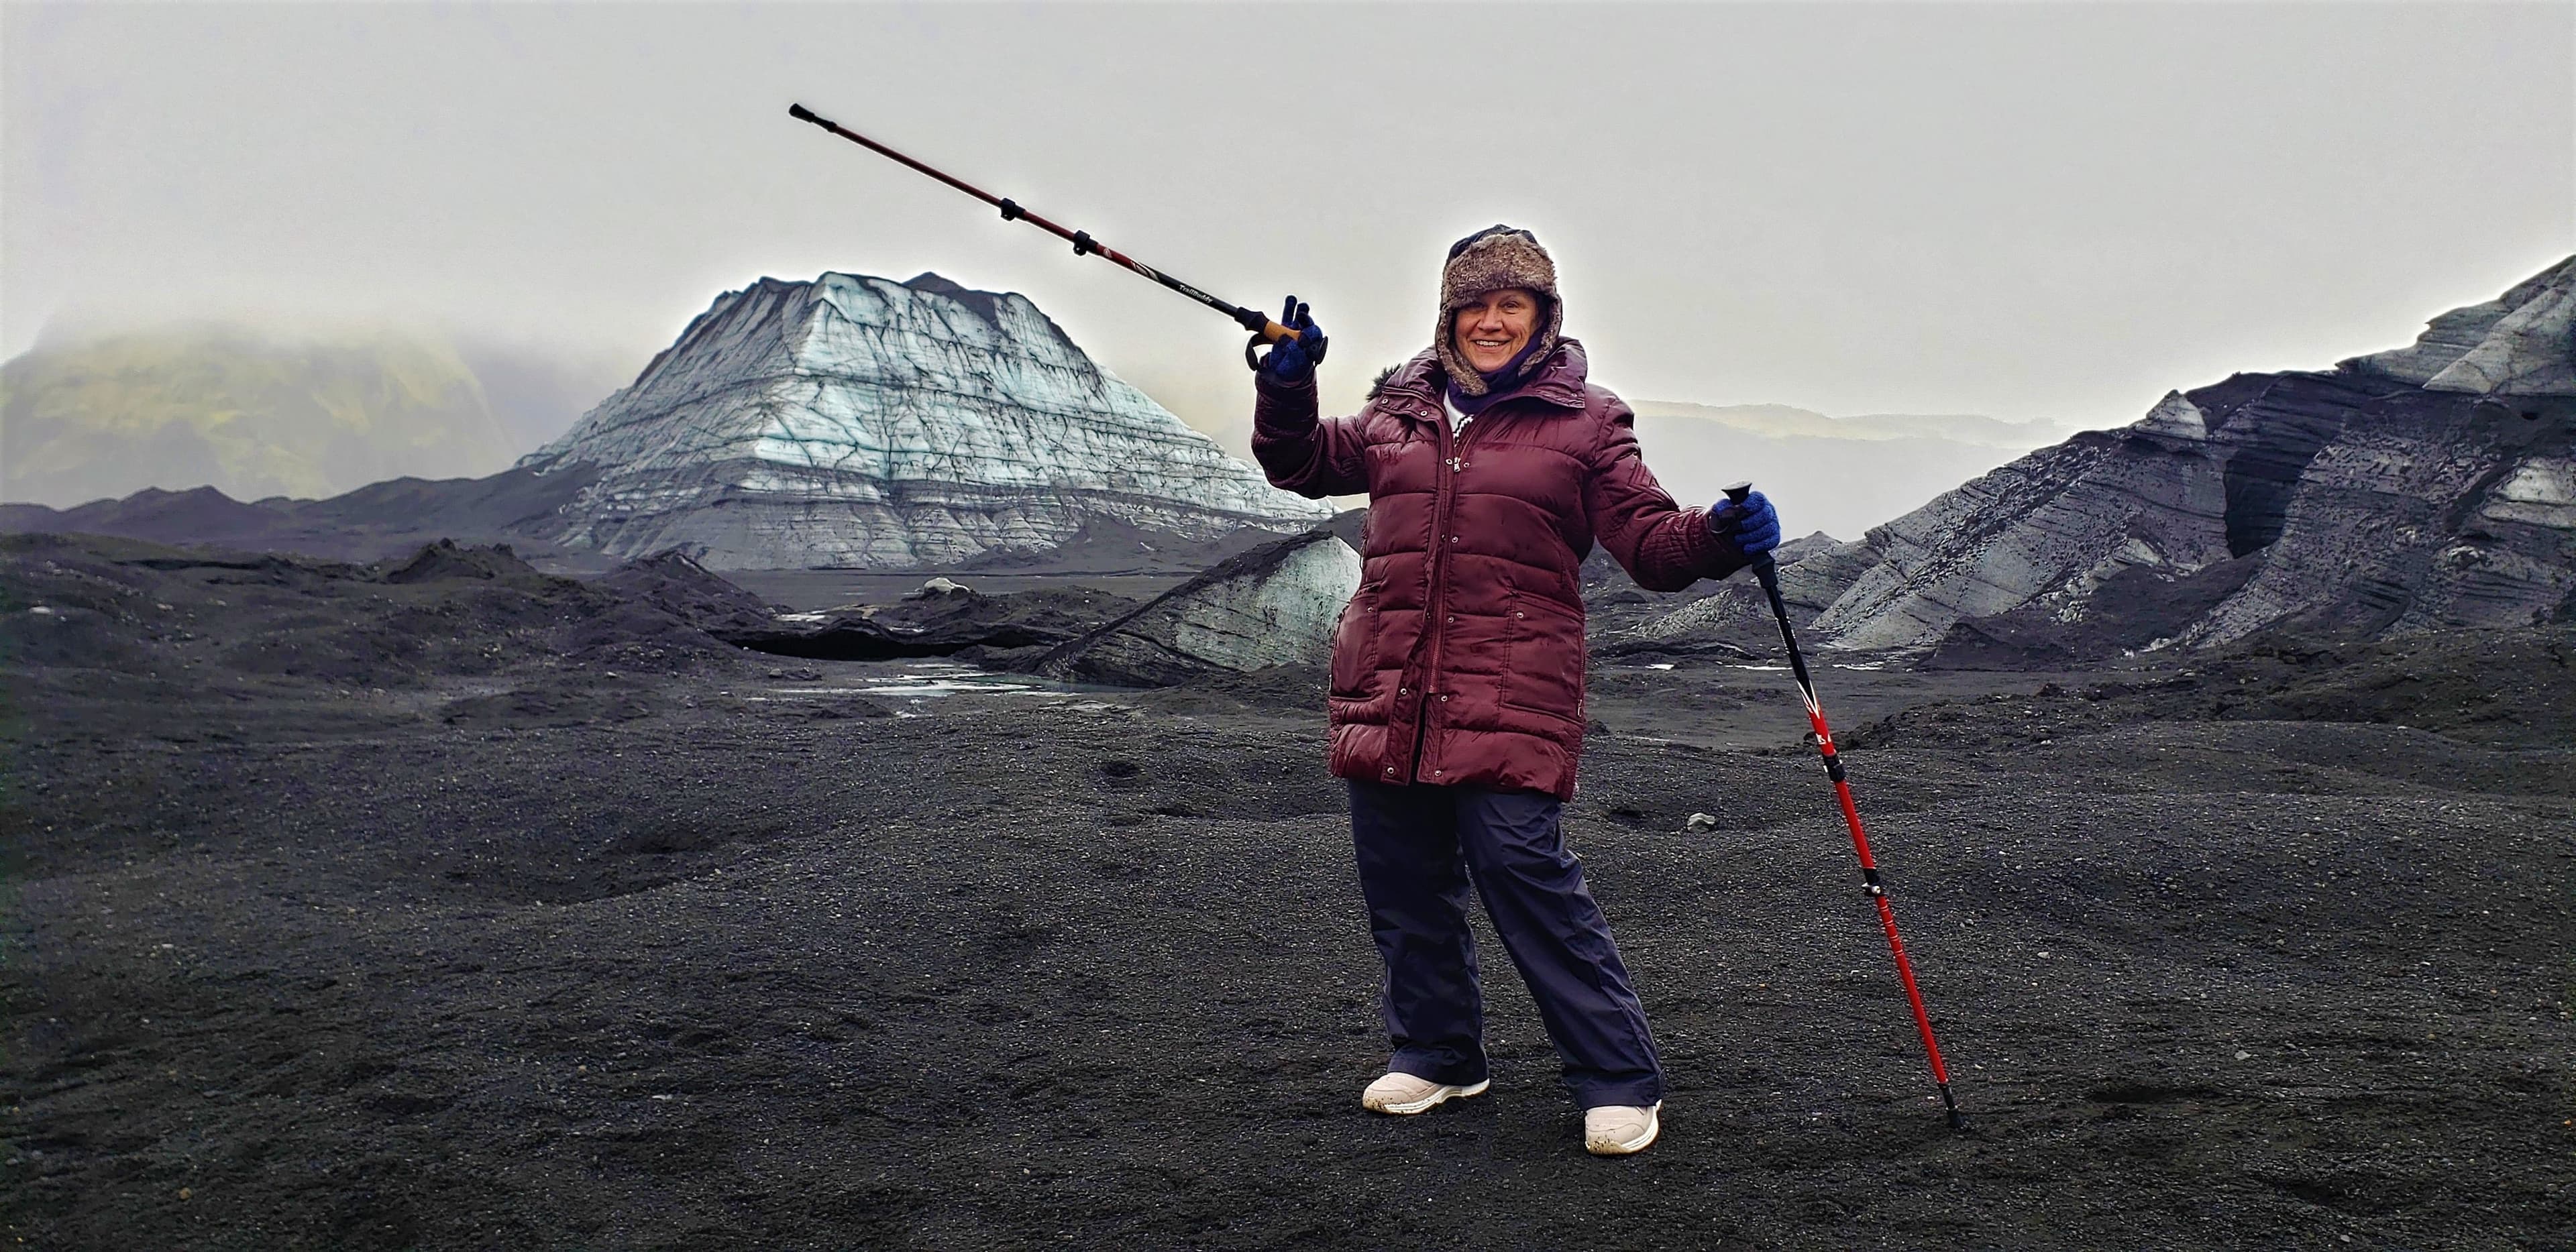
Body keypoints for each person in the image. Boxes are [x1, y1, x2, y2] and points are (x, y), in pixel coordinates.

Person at [1247, 225, 1779, 1157]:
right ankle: (1440, 1056)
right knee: (1404, 884)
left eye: (1512, 304)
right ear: (1449, 315)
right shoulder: (1396, 413)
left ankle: (1618, 1080)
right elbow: (1297, 465)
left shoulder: (1586, 423)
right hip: (1392, 685)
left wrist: (1719, 534)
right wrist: (1286, 386)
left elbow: (1651, 546)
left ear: (1542, 316)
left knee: (1525, 874)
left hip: (1513, 688)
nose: (1491, 321)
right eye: (1474, 305)